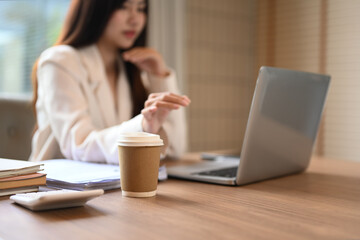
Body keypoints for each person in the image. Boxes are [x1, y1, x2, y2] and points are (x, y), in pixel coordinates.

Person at [30, 0, 190, 164]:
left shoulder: (129, 70)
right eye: (123, 7)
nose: (135, 20)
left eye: (140, 9)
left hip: (111, 185)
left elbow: (175, 148)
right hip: (54, 185)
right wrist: (142, 128)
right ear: (95, 9)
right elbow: (78, 144)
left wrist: (159, 75)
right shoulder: (59, 61)